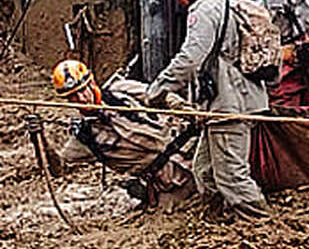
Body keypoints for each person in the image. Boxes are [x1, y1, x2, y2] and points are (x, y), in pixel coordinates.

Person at [146, 0, 270, 220]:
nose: (176, 2)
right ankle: (220, 223)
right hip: (223, 102)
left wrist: (158, 89)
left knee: (231, 178)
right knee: (204, 171)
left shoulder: (205, 10)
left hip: (229, 102)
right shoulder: (223, 0)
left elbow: (190, 58)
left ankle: (260, 226)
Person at [32, 59, 194, 205]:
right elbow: (57, 169)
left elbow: (159, 95)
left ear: (92, 82)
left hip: (192, 150)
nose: (81, 98)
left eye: (82, 90)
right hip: (170, 183)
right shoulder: (85, 138)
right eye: (73, 96)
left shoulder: (121, 89)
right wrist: (39, 139)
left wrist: (184, 109)